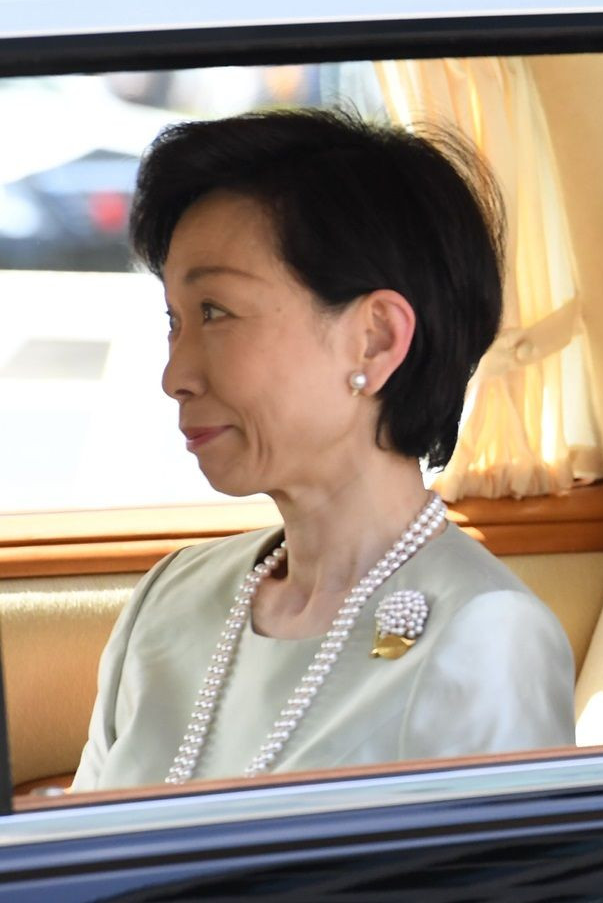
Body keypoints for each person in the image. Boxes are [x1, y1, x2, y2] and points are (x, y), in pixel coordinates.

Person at [72, 109, 575, 791]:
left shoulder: (488, 636)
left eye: (215, 312)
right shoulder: (172, 598)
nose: (175, 375)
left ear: (374, 340)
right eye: (174, 321)